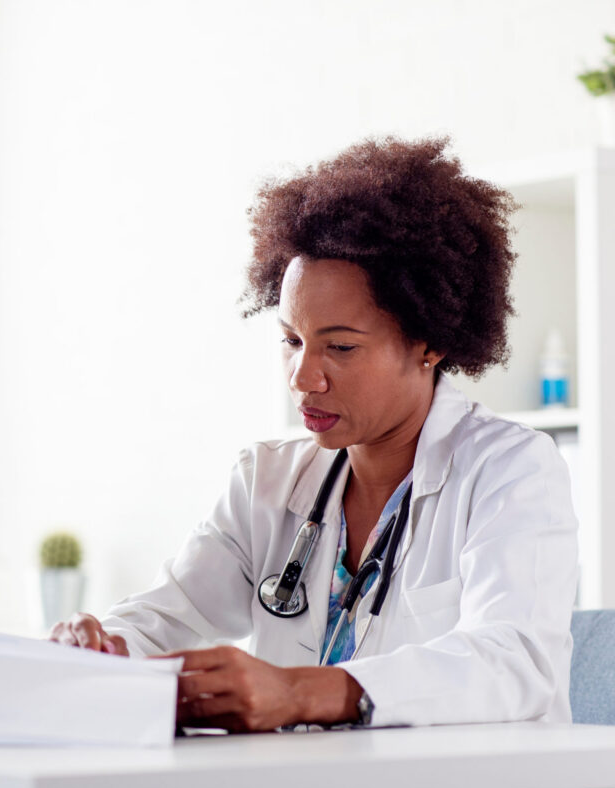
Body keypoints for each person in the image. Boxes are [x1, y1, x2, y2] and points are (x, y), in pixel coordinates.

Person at [50, 137, 578, 732]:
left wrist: (300, 692)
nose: (303, 378)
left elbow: (513, 662)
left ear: (429, 343)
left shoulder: (512, 470)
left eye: (341, 347)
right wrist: (102, 646)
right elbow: (164, 619)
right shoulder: (268, 481)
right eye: (292, 340)